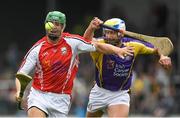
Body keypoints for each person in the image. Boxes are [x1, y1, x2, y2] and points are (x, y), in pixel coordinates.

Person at [15, 11, 134, 117]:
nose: (54, 27)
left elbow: (98, 46)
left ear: (63, 27)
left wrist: (118, 50)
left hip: (62, 99)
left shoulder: (73, 43)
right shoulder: (37, 49)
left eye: (58, 24)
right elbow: (21, 74)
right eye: (51, 23)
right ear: (46, 25)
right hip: (39, 95)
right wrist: (18, 91)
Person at [83, 17, 172, 117]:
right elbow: (85, 43)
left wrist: (163, 56)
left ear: (121, 33)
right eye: (106, 32)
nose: (108, 36)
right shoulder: (100, 43)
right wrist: (91, 28)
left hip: (120, 94)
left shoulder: (133, 45)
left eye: (112, 33)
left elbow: (157, 47)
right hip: (99, 92)